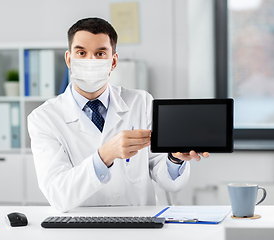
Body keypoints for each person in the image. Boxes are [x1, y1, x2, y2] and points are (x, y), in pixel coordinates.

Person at [28, 17, 209, 212]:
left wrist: (175, 158)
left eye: (100, 53)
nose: (90, 61)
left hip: (139, 225)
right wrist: (105, 155)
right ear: (69, 59)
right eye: (81, 52)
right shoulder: (44, 118)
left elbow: (168, 181)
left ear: (113, 61)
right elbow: (58, 194)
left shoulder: (141, 102)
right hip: (83, 229)